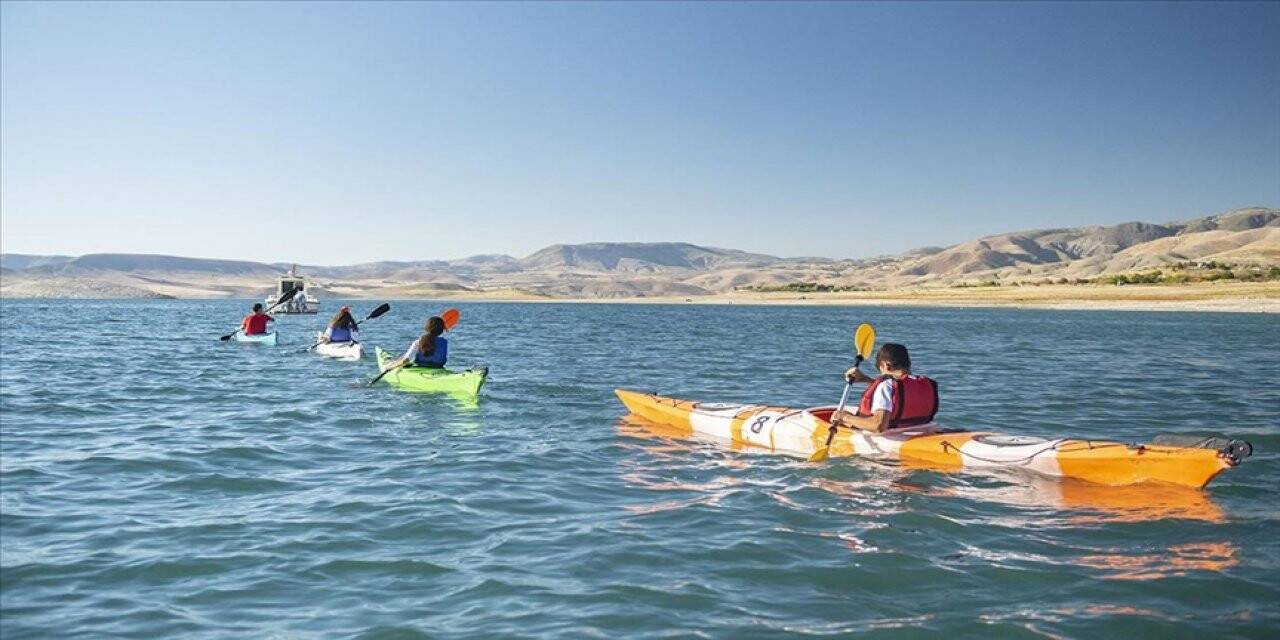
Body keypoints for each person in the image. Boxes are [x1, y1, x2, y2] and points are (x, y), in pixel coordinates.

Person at [835, 343, 938, 433]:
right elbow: (900, 392)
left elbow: (878, 426)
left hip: (890, 439)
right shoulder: (927, 383)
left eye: (880, 369)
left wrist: (844, 417)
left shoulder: (886, 385)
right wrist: (866, 380)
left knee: (838, 415)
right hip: (921, 432)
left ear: (885, 365)